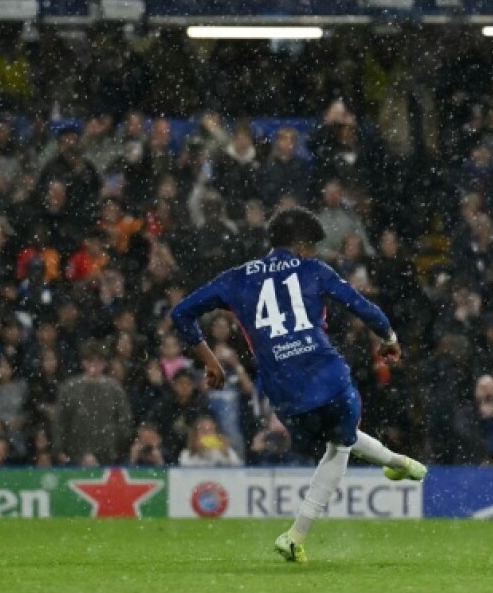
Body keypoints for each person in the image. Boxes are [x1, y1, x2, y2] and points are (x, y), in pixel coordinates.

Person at [170, 207, 423, 563]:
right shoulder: (314, 269)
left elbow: (181, 312)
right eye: (313, 247)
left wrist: (209, 359)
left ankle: (399, 463)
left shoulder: (236, 278)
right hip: (329, 377)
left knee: (337, 442)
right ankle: (296, 533)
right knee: (340, 443)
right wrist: (389, 337)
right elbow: (363, 307)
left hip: (285, 394)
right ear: (303, 246)